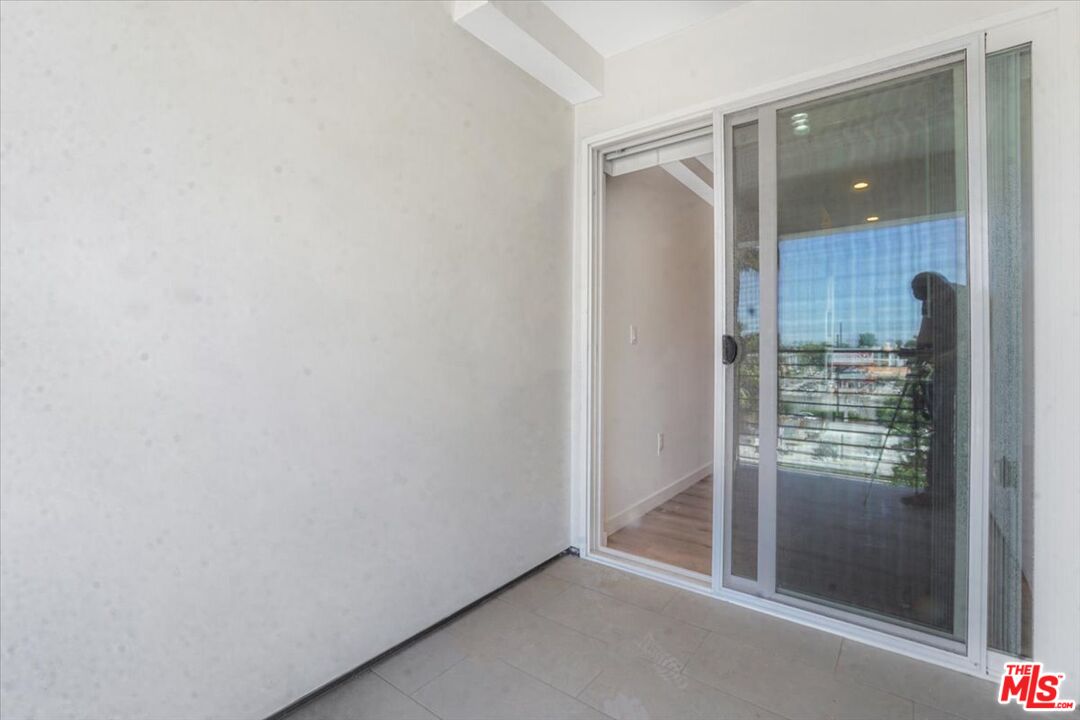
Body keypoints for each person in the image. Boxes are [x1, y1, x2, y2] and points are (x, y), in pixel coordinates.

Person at [902, 271, 957, 509]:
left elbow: (966, 342)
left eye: (923, 296)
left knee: (943, 433)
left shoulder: (951, 301)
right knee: (940, 431)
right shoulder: (937, 302)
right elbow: (925, 338)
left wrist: (936, 358)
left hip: (952, 373)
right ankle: (938, 490)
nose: (924, 303)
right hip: (943, 374)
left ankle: (940, 492)